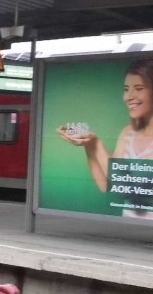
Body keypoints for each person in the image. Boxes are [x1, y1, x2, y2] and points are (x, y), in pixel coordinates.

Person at [58, 58, 153, 216]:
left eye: (138, 88)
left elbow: (131, 192)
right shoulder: (127, 133)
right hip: (129, 228)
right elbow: (106, 185)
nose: (128, 97)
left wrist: (97, 144)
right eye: (126, 89)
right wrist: (89, 145)